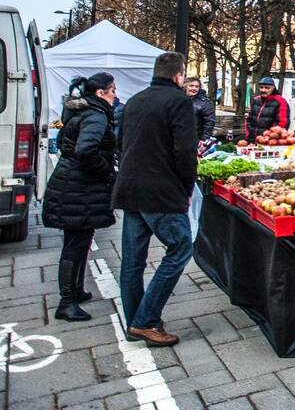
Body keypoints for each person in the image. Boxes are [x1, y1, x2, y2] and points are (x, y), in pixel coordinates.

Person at [112, 52, 197, 347]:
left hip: (130, 188)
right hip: (160, 191)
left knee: (133, 261)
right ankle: (146, 321)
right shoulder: (179, 102)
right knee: (181, 247)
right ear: (178, 75)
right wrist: (187, 188)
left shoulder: (135, 100)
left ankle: (135, 320)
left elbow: (120, 143)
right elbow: (185, 152)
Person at [42, 73, 118, 322]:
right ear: (100, 93)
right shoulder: (96, 116)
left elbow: (68, 143)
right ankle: (67, 302)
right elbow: (86, 150)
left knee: (79, 240)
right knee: (75, 245)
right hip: (80, 187)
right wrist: (106, 170)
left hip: (71, 183)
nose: (114, 95)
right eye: (112, 90)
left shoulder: (79, 113)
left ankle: (75, 291)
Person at [247, 77, 290, 141]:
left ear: (273, 88)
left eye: (267, 88)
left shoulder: (280, 101)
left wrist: (269, 137)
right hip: (252, 140)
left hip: (269, 141)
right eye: (261, 87)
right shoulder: (256, 100)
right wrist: (248, 134)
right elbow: (249, 119)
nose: (263, 90)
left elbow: (282, 123)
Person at [185, 77, 216, 142]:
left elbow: (209, 123)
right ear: (185, 86)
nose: (194, 88)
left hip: (196, 139)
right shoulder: (179, 99)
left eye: (197, 86)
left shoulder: (205, 103)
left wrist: (203, 140)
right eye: (191, 86)